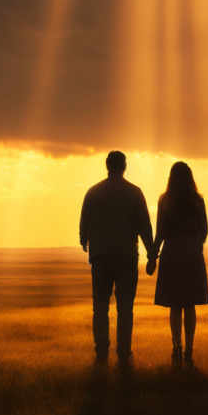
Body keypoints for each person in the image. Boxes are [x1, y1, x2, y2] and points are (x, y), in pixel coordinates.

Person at [79, 149, 154, 364]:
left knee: (100, 306)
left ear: (107, 166)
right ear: (124, 167)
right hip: (126, 257)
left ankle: (101, 350)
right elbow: (144, 226)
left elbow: (84, 223)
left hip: (101, 256)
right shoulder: (134, 192)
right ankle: (123, 351)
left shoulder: (93, 192)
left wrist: (84, 240)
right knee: (125, 308)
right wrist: (151, 253)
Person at [151, 161, 208, 366]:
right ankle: (190, 349)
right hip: (192, 256)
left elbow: (160, 232)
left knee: (175, 306)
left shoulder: (164, 200)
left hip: (171, 256)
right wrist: (196, 246)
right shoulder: (197, 201)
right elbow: (204, 230)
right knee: (190, 305)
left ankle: (176, 347)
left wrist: (152, 256)